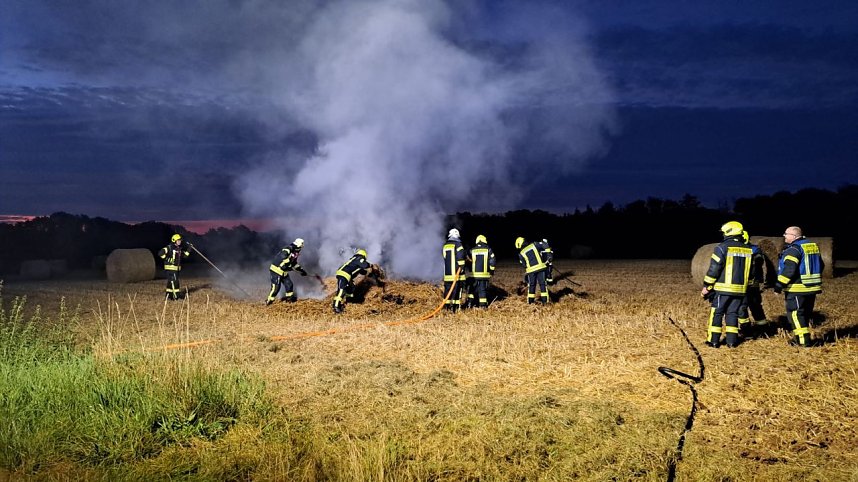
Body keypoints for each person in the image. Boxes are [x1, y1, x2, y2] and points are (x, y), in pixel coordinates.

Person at [700, 221, 752, 348]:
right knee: (732, 314)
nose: (723, 234)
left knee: (717, 313)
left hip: (723, 289)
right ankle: (732, 342)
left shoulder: (722, 248)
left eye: (724, 232)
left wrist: (707, 285)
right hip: (740, 290)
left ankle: (713, 341)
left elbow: (714, 268)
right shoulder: (747, 249)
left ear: (729, 232)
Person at [774, 226, 823, 347]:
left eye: (786, 234)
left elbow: (789, 270)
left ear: (794, 236)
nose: (784, 236)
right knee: (804, 314)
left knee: (795, 314)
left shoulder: (794, 249)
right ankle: (802, 339)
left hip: (797, 288)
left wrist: (779, 285)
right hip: (812, 287)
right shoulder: (812, 246)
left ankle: (803, 341)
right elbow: (821, 264)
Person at [737, 231, 769, 336]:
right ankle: (762, 329)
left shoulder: (752, 250)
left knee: (743, 307)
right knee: (755, 306)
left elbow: (758, 262)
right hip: (752, 284)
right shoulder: (755, 249)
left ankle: (748, 330)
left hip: (746, 284)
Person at [265, 238, 307, 305]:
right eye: (301, 247)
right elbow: (283, 258)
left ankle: (289, 300)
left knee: (289, 284)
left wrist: (301, 270)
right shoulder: (288, 249)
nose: (301, 249)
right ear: (298, 246)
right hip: (276, 270)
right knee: (276, 287)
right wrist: (288, 266)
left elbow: (294, 263)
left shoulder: (295, 252)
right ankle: (269, 301)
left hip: (283, 271)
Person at [332, 248, 372, 314]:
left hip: (346, 276)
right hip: (344, 274)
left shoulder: (355, 261)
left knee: (352, 287)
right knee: (341, 290)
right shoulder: (359, 258)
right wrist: (371, 265)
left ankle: (349, 300)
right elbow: (365, 265)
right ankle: (336, 306)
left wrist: (369, 274)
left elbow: (362, 271)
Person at [516, 236, 549, 304]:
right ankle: (545, 302)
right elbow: (544, 244)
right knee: (543, 285)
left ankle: (530, 302)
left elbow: (524, 264)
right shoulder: (534, 245)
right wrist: (549, 255)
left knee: (531, 286)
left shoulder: (521, 254)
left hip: (531, 271)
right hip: (541, 268)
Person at [159, 233, 191, 300]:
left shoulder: (178, 249)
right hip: (171, 268)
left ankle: (169, 296)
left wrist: (189, 248)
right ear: (174, 240)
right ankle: (176, 297)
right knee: (175, 282)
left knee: (171, 282)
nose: (180, 241)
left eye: (180, 240)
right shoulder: (169, 247)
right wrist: (169, 259)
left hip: (176, 268)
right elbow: (160, 253)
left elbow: (185, 256)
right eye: (178, 240)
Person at [467, 234, 496, 308]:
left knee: (471, 290)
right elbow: (493, 260)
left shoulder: (472, 250)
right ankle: (482, 306)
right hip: (483, 275)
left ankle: (469, 303)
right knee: (482, 290)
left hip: (473, 275)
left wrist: (469, 270)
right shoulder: (488, 249)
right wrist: (492, 270)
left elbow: (468, 260)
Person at [442, 228, 466, 312]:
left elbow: (444, 257)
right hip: (456, 274)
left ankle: (446, 307)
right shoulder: (458, 245)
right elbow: (460, 258)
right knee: (456, 290)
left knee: (447, 290)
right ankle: (455, 308)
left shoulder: (445, 246)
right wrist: (462, 268)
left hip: (447, 274)